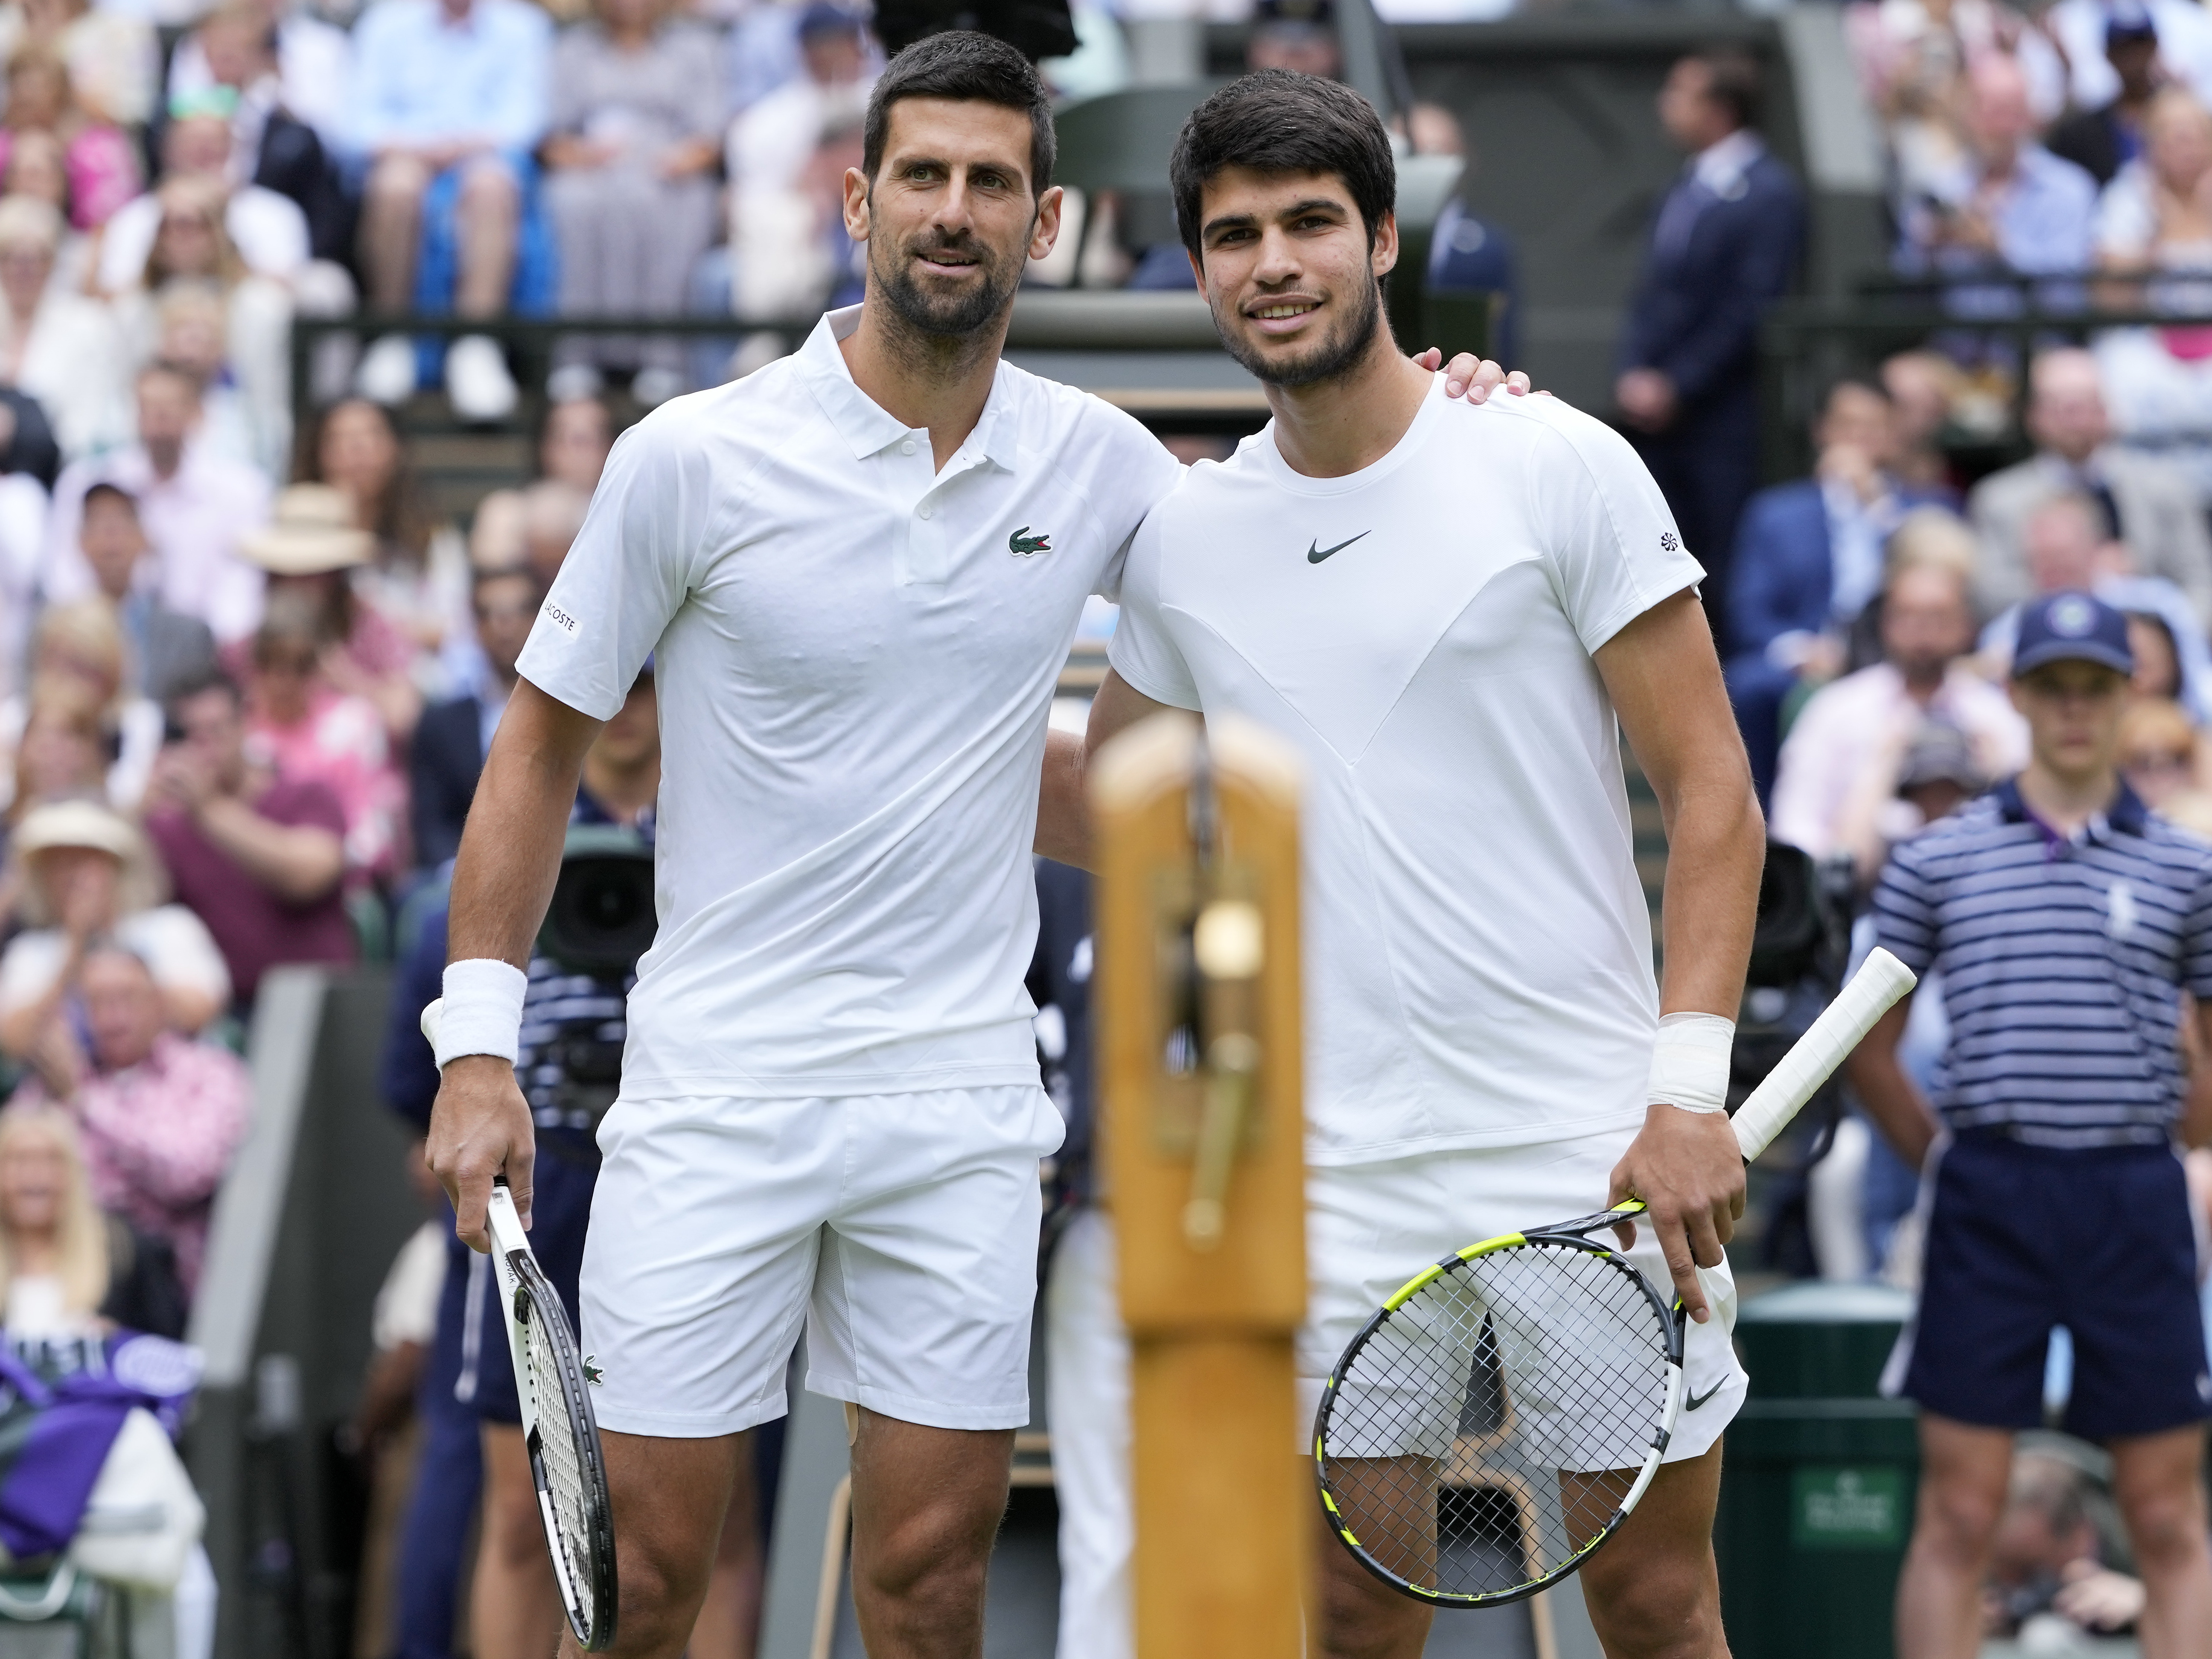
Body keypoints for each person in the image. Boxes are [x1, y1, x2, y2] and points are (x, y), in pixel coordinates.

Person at [423, 32, 1519, 1656]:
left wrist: (1455, 423)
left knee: (930, 1589)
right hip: (714, 1091)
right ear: (858, 201)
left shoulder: (1103, 468)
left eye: (990, 183)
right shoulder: (694, 458)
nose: (954, 211)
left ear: (1047, 221)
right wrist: (476, 1051)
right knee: (645, 1588)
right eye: (922, 178)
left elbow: (1296, 548)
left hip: (961, 1102)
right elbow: (535, 752)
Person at [1038, 68, 1766, 1659]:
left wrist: (1686, 1088)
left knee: (1651, 1603)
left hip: (1583, 1142)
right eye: (1233, 235)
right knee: (1353, 1612)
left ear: (1380, 239)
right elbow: (1117, 809)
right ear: (1197, 272)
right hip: (1327, 1168)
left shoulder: (1552, 461)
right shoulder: (1183, 538)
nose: (1272, 262)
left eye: (1309, 222)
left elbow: (1713, 791)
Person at [1851, 590, 2212, 1659]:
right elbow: (1869, 1041)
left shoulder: (2186, 867)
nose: (2071, 707)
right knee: (1958, 1512)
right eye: (2050, 685)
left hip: (2132, 1193)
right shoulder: (1938, 858)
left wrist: (2176, 1141)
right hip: (1988, 1194)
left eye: (2092, 686)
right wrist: (1943, 1156)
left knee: (2163, 1515)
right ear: (2014, 695)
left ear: (2125, 694)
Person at [1615, 47, 1806, 609]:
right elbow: (1651, 296)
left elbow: (1748, 307)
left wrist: (1676, 384)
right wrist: (1633, 373)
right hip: (1653, 421)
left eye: (1681, 94)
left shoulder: (1770, 194)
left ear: (1720, 108)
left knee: (1715, 568)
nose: (1664, 105)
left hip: (1720, 421)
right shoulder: (1684, 185)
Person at [1724, 380, 1951, 800]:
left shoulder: (1925, 509)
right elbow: (1749, 612)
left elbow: (1942, 581)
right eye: (1847, 425)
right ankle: (1761, 830)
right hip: (1808, 658)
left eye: (1872, 427)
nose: (1858, 440)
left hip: (1904, 655)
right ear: (1822, 431)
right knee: (1747, 685)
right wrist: (1801, 650)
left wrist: (1878, 511)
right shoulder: (1776, 513)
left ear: (1892, 434)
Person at [347, 0, 553, 422]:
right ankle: (392, 336)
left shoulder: (523, 26)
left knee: (489, 185)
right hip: (405, 153)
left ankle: (476, 344)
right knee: (395, 186)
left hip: (486, 154)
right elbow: (354, 119)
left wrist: (465, 145)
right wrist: (419, 146)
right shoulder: (386, 22)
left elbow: (527, 118)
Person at [4, 940, 250, 1294]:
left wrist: (84, 1103)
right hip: (66, 1273)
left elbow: (185, 1174)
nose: (113, 1017)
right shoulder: (51, 1084)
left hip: (168, 1283)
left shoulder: (208, 1073)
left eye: (127, 998)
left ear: (159, 1002)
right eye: (97, 1003)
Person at [1769, 557, 2027, 868]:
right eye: (1908, 615)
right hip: (1856, 897)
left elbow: (2035, 831)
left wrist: (2001, 779)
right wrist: (1879, 770)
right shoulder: (1835, 709)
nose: (1923, 631)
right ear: (1885, 623)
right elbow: (1795, 830)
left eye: (1938, 616)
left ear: (1966, 625)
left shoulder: (1996, 714)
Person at [541, 0, 723, 405]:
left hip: (670, 167)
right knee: (569, 201)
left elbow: (710, 139)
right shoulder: (572, 48)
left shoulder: (695, 47)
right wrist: (587, 156)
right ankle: (578, 355)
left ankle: (664, 357)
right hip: (592, 165)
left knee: (666, 202)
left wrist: (674, 161)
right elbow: (550, 140)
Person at [143, 667, 351, 1008]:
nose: (206, 748)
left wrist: (209, 810)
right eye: (191, 736)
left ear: (244, 725)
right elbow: (130, 903)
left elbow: (308, 874)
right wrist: (139, 808)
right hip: (225, 1012)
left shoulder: (305, 796)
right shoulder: (168, 827)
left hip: (317, 1003)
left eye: (216, 731)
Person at [0, 800, 230, 1097]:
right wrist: (75, 948)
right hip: (62, 1101)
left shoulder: (170, 927)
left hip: (169, 1095)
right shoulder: (29, 951)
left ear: (115, 866)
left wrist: (117, 961)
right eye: (57, 865)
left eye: (84, 861)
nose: (71, 876)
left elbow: (197, 1012)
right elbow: (15, 1041)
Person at [1969, 346, 2212, 624]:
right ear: (2033, 416)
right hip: (2045, 643)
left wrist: (2169, 638)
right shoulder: (1998, 500)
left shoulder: (2165, 488)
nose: (2073, 418)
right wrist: (2080, 581)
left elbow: (2200, 581)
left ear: (2107, 411)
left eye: (2084, 404)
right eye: (2058, 406)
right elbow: (1991, 597)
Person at [41, 361, 273, 647]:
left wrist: (196, 648)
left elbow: (240, 593)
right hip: (102, 644)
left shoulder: (242, 490)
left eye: (170, 408)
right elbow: (65, 578)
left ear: (198, 413)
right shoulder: (87, 482)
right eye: (148, 408)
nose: (159, 420)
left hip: (208, 655)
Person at [1894, 54, 2099, 302]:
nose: (2000, 126)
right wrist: (1929, 249)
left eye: (2010, 111)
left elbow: (2069, 292)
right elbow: (1900, 281)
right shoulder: (1940, 187)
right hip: (1953, 337)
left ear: (2029, 116)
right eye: (1988, 110)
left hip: (2039, 337)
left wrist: (1998, 248)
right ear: (1967, 114)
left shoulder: (2070, 188)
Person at [296, 398, 472, 683]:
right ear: (318, 454)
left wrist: (374, 617)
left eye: (371, 436)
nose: (357, 450)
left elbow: (452, 631)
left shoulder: (434, 538)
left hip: (416, 688)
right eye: (340, 440)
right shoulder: (292, 542)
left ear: (395, 448)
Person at [237, 482, 425, 744]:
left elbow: (403, 717)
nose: (297, 585)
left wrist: (344, 677)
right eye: (285, 574)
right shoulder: (252, 642)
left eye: (311, 574)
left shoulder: (371, 627)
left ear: (336, 576)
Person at [239, 592, 405, 884]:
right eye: (271, 663)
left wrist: (324, 866)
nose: (285, 679)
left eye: (300, 665)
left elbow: (374, 831)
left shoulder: (353, 724)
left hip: (344, 885)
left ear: (320, 664)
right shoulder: (241, 735)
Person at [0, 1103, 184, 1339]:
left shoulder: (124, 1251)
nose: (35, 1174)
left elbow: (167, 1348)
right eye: (20, 1160)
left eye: (51, 1160)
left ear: (75, 1172)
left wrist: (119, 1346)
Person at [412, 566, 537, 870]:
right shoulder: (440, 725)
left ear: (540, 618)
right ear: (475, 625)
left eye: (517, 611)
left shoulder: (578, 712)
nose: (504, 626)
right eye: (489, 613)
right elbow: (432, 828)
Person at [0, 600, 164, 812]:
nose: (72, 680)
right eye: (61, 661)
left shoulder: (137, 719)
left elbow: (131, 799)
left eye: (84, 665)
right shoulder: (16, 717)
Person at [0, 192, 127, 460]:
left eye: (36, 259)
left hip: (58, 466)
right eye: (11, 258)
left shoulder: (90, 325)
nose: (23, 270)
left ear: (53, 263)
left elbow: (93, 419)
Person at [73, 483, 219, 704]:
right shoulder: (53, 634)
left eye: (121, 523)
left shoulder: (188, 637)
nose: (110, 537)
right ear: (81, 542)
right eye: (97, 524)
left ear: (145, 540)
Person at [467, 394, 611, 571]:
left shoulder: (627, 512)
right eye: (563, 437)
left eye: (588, 439)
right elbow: (497, 592)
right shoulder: (507, 511)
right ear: (544, 448)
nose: (576, 451)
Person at [2049, 1, 2163, 186]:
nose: (2133, 57)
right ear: (2108, 54)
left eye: (2140, 44)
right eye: (2122, 48)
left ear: (2155, 46)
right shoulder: (2084, 131)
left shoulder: (2184, 114)